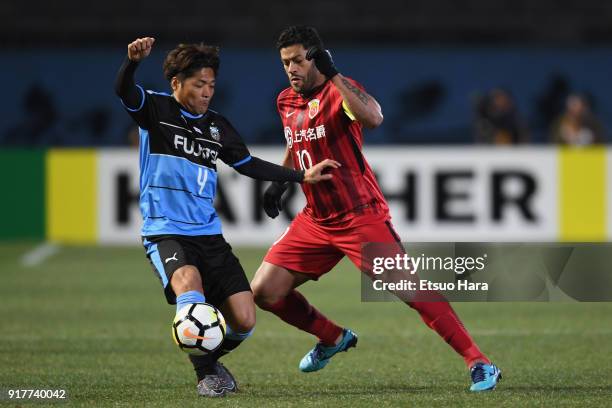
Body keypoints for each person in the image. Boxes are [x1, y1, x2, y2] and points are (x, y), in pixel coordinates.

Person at [251, 26, 501, 392]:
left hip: (358, 215)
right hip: (316, 221)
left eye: (298, 60)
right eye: (285, 62)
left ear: (317, 57)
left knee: (410, 290)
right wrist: (283, 180)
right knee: (264, 291)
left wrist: (333, 74)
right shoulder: (285, 100)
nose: (291, 69)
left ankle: (480, 362)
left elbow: (373, 118)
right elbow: (296, 140)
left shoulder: (340, 89)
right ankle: (333, 337)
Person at [114, 36, 339, 398]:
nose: (206, 92)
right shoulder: (154, 110)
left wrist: (299, 177)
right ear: (176, 84)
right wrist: (132, 63)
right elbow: (124, 90)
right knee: (188, 284)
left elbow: (247, 164)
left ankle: (210, 360)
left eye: (211, 85)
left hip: (209, 235)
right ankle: (206, 374)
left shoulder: (217, 126)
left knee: (245, 319)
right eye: (199, 84)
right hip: (166, 231)